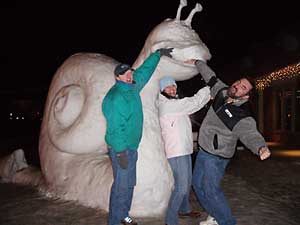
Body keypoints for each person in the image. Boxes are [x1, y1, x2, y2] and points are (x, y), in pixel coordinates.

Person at [187, 59, 271, 225]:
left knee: (211, 190)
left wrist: (260, 147)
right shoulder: (222, 91)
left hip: (217, 156)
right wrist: (197, 62)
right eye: (239, 82)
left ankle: (227, 221)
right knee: (197, 184)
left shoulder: (241, 114)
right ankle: (215, 215)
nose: (237, 86)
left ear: (246, 96)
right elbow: (211, 77)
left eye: (243, 87)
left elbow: (249, 132)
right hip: (204, 150)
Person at [102, 48, 173, 225]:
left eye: (129, 72)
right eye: (124, 74)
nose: (128, 75)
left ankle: (123, 215)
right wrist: (120, 152)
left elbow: (144, 70)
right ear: (117, 77)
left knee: (128, 184)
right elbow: (115, 129)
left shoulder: (132, 86)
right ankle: (114, 221)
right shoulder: (115, 97)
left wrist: (158, 54)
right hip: (121, 148)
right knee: (121, 186)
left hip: (131, 147)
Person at [156, 76, 211, 225]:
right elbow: (192, 103)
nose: (172, 89)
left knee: (186, 184)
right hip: (175, 152)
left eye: (173, 86)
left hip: (184, 149)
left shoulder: (174, 103)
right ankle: (170, 220)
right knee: (181, 187)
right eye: (168, 87)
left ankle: (184, 209)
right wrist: (208, 88)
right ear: (162, 90)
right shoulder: (167, 105)